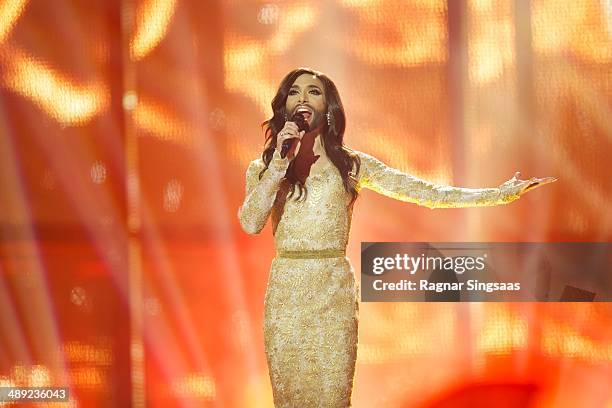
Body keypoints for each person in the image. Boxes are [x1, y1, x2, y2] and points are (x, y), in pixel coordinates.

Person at [237, 67, 556, 407]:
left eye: (314, 92)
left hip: (333, 290)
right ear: (284, 106)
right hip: (286, 290)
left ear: (328, 108)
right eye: (294, 92)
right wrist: (279, 165)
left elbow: (425, 192)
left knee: (332, 398)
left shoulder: (351, 166)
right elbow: (250, 222)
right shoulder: (263, 168)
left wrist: (498, 195)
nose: (303, 98)